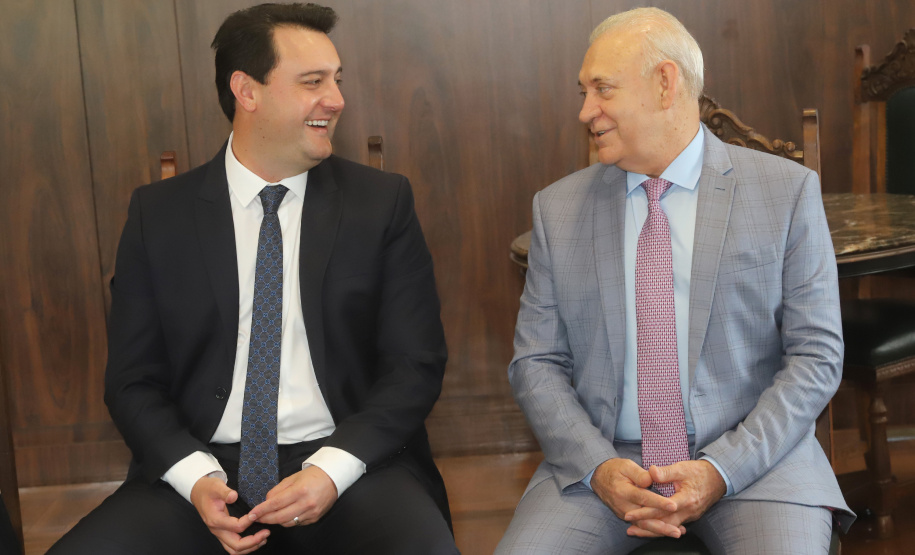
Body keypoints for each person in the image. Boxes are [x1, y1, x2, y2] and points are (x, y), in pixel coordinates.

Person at [49, 3, 457, 554]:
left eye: (337, 80)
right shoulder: (158, 215)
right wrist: (195, 478)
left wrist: (330, 470)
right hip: (201, 471)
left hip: (349, 466)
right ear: (247, 90)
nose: (335, 100)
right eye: (313, 82)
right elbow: (131, 381)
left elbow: (415, 366)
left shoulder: (381, 205)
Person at [497, 7, 853, 554]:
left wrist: (720, 469)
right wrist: (599, 467)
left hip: (756, 461)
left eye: (602, 89)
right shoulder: (558, 209)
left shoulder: (786, 192)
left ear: (665, 83)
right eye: (583, 92)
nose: (585, 111)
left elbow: (817, 357)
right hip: (604, 465)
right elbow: (536, 363)